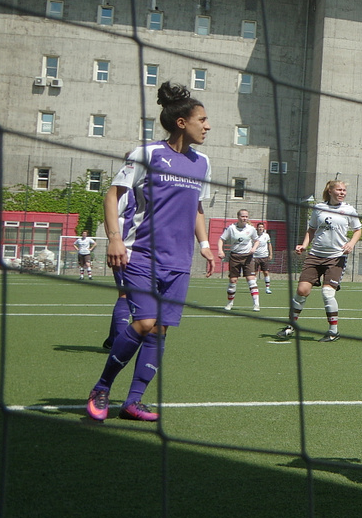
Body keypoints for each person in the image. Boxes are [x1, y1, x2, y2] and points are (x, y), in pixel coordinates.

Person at [83, 83, 213, 423]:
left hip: (179, 262)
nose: (208, 126)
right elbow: (112, 195)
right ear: (182, 122)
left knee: (160, 331)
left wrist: (205, 245)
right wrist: (113, 238)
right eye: (203, 119)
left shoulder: (203, 163)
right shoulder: (147, 153)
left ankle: (133, 402)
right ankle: (101, 387)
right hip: (141, 256)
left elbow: (197, 207)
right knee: (143, 322)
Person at [274, 181, 361, 342]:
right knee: (302, 291)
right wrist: (304, 245)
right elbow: (312, 228)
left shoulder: (349, 210)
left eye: (344, 190)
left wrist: (351, 243)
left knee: (327, 293)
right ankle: (290, 326)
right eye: (339, 190)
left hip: (336, 257)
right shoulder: (319, 208)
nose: (342, 193)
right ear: (330, 191)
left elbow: (358, 229)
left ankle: (333, 332)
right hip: (315, 255)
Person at [219, 208, 262, 312]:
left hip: (247, 257)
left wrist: (253, 248)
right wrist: (220, 251)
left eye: (246, 216)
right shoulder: (231, 228)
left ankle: (256, 304)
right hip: (234, 256)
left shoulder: (251, 229)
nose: (245, 218)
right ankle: (230, 303)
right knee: (233, 280)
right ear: (238, 217)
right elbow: (221, 239)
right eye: (243, 216)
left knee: (251, 280)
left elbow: (256, 240)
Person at [252, 224, 274, 293]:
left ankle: (267, 288)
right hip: (255, 257)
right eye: (259, 227)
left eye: (262, 227)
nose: (261, 228)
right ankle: (254, 287)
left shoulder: (266, 235)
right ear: (257, 228)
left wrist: (271, 254)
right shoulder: (254, 235)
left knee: (266, 272)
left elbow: (269, 244)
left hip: (264, 256)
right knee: (254, 273)